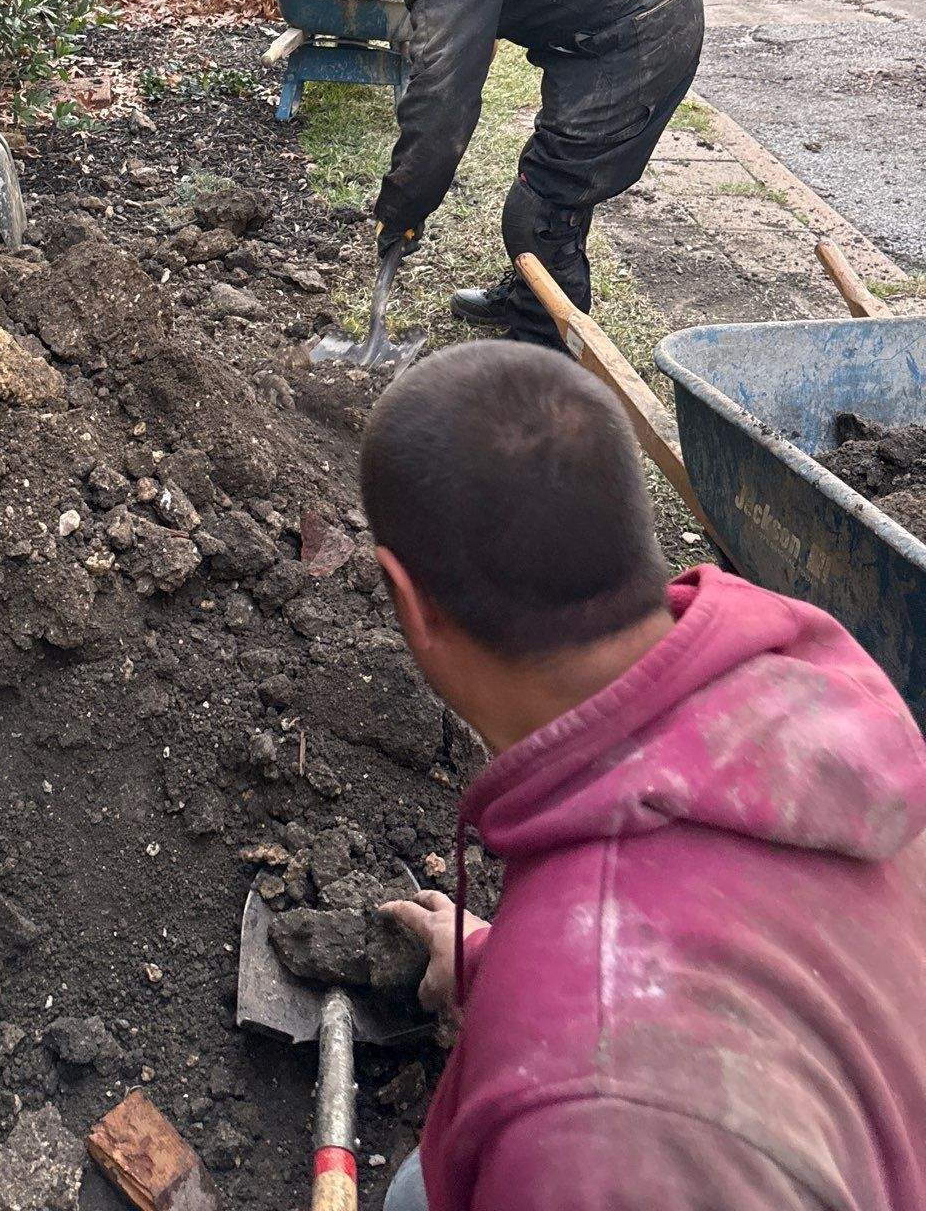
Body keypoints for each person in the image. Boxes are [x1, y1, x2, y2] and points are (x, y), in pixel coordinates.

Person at [358, 341, 926, 1211]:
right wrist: (502, 957)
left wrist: (559, 996)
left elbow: (634, 1075)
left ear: (406, 601)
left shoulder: (596, 1127)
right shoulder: (803, 698)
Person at [279, 0, 703, 344]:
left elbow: (441, 103)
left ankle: (542, 353)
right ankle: (533, 292)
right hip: (622, 5)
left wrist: (401, 206)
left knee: (542, 203)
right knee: (557, 172)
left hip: (642, 27)